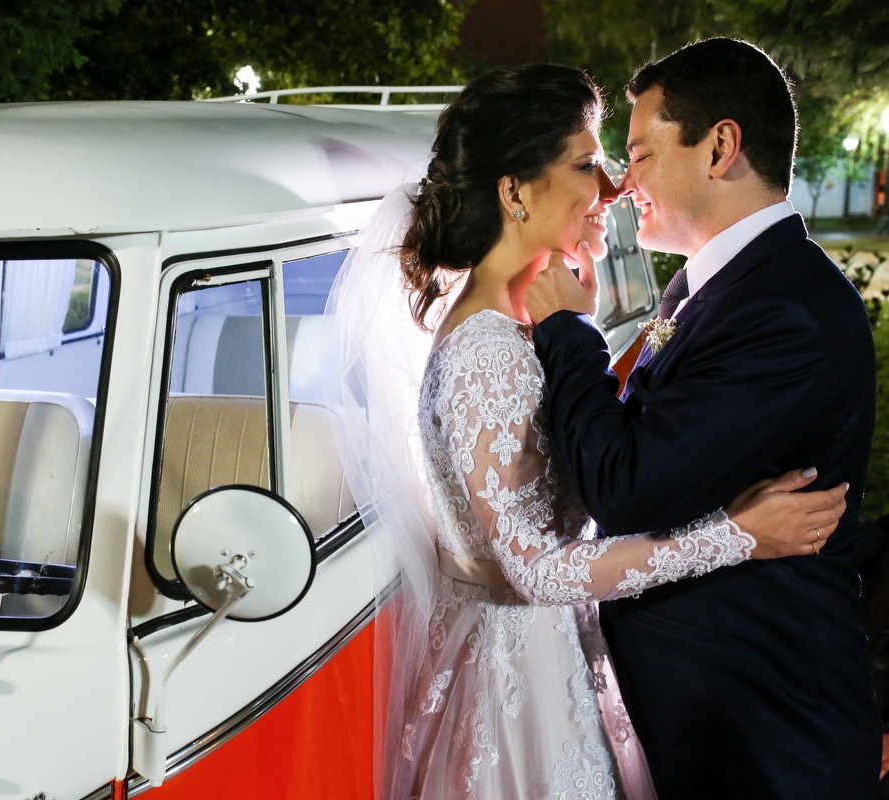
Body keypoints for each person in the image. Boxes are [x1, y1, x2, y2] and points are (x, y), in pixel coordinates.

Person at [327, 64, 849, 800]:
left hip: (563, 654)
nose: (610, 188)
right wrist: (741, 534)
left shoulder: (522, 329)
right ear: (514, 192)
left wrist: (577, 325)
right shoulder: (487, 353)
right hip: (521, 681)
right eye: (586, 164)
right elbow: (538, 570)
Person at [524, 38, 880, 798]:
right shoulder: (720, 286)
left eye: (641, 154)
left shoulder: (784, 310)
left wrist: (567, 330)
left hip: (767, 735)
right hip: (712, 718)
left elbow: (626, 486)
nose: (624, 183)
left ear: (720, 147)